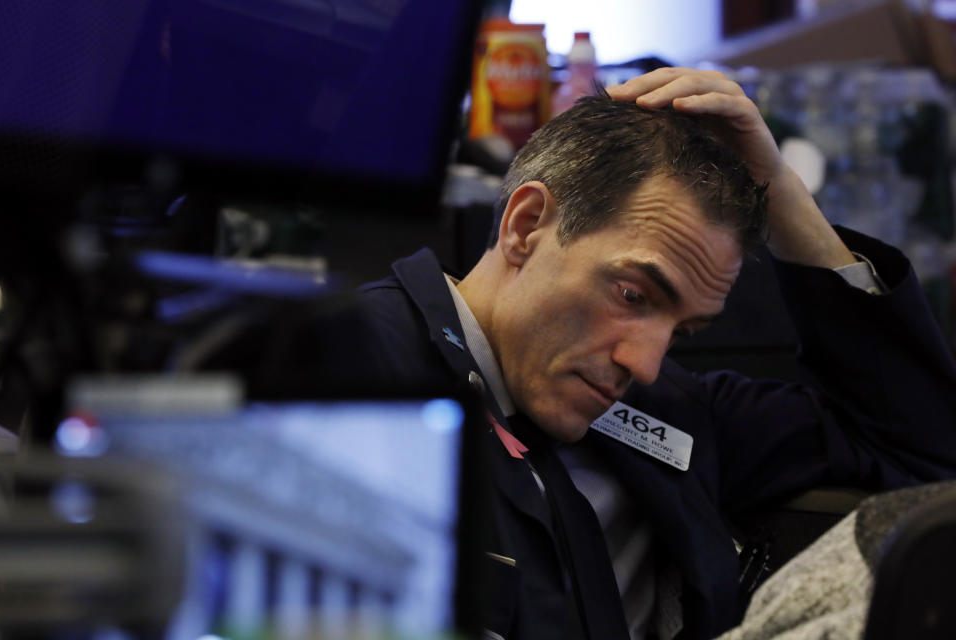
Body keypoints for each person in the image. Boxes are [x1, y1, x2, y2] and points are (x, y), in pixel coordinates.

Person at [358, 68, 956, 640]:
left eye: (684, 332)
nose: (645, 363)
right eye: (632, 295)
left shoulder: (669, 413)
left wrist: (782, 194)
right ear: (527, 225)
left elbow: (918, 448)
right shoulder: (346, 370)